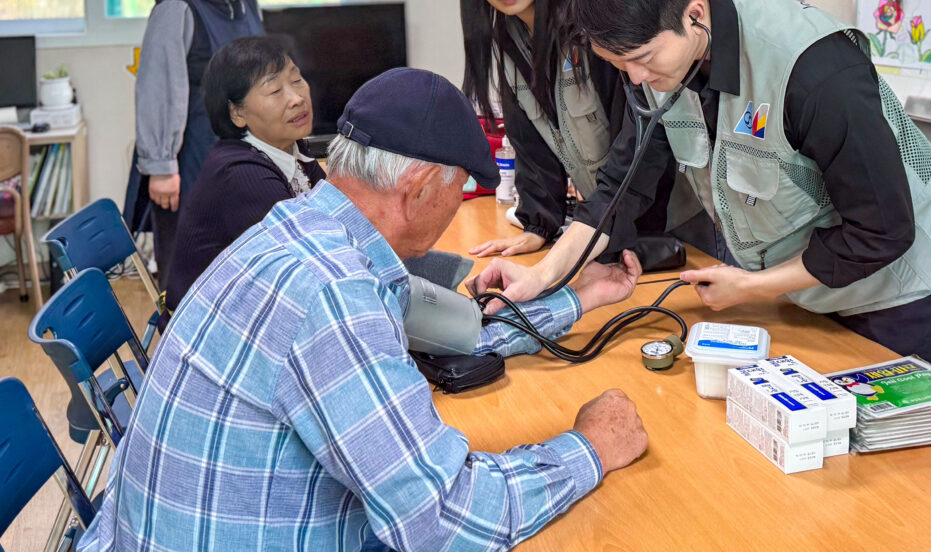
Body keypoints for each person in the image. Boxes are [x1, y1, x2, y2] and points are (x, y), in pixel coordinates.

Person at [80, 68, 648, 552]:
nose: (456, 208)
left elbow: (446, 334)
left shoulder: (304, 230)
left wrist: (578, 297)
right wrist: (591, 447)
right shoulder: (334, 294)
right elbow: (442, 521)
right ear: (421, 189)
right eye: (458, 192)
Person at [472, 0, 931, 373]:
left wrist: (750, 287)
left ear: (694, 16)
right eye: (620, 65)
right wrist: (543, 276)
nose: (637, 80)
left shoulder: (814, 71)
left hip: (901, 288)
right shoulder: (660, 58)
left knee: (898, 465)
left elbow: (882, 230)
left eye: (643, 60)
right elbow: (620, 187)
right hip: (803, 286)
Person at [457, 0, 698, 261]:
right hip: (607, 224)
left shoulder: (590, 14)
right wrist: (539, 225)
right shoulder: (506, 36)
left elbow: (635, 131)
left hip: (667, 214)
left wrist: (597, 227)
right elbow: (530, 141)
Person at [124, 0, 265, 288]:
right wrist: (161, 167)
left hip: (241, 160)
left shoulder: (247, 2)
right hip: (189, 166)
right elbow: (158, 90)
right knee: (190, 276)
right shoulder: (177, 6)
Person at [163, 35, 325, 310]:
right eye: (275, 91)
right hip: (210, 333)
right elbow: (312, 261)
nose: (297, 98)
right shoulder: (241, 175)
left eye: (296, 80)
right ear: (237, 114)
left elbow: (335, 221)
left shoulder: (290, 147)